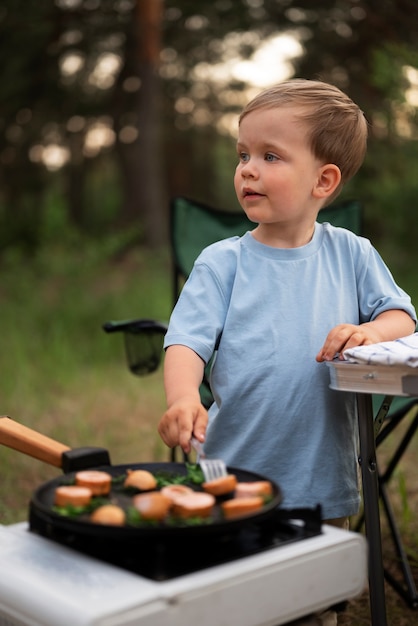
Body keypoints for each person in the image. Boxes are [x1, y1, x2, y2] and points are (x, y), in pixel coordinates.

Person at [157, 79, 416, 624]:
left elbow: (401, 316)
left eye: (269, 156)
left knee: (313, 603)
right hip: (233, 472)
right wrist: (183, 396)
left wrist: (371, 332)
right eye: (243, 154)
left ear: (324, 180)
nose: (247, 169)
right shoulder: (222, 262)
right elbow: (186, 339)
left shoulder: (351, 252)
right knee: (236, 598)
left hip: (322, 476)